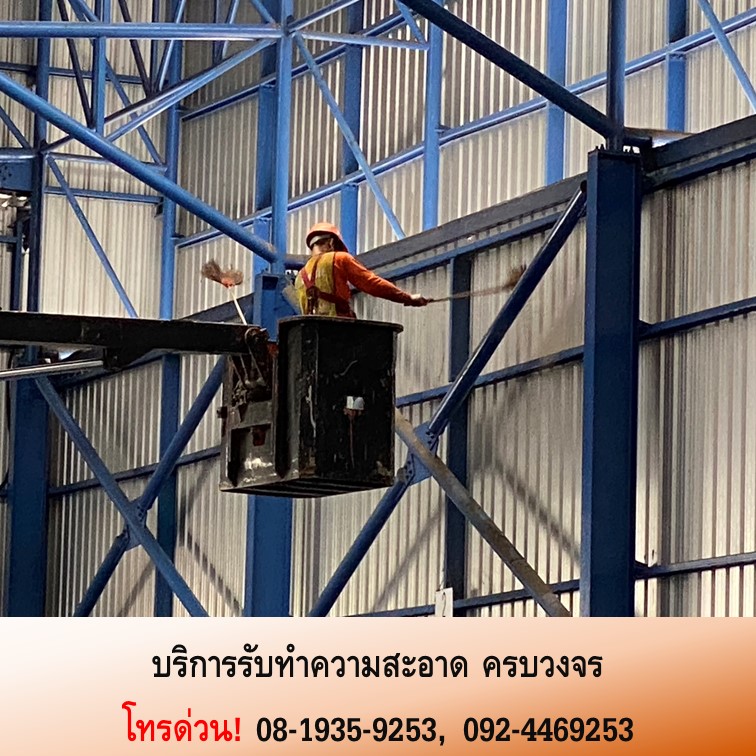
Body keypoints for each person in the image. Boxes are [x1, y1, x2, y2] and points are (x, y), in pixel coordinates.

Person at [294, 222, 430, 318]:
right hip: (338, 332)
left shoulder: (300, 277)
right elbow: (372, 284)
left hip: (311, 335)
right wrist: (407, 298)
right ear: (331, 242)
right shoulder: (339, 258)